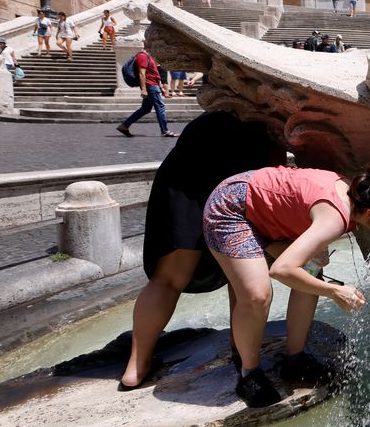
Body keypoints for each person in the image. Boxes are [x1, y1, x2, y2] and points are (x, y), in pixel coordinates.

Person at [204, 166, 370, 407]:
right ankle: (249, 374)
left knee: (313, 268)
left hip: (261, 212)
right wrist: (335, 291)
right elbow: (282, 270)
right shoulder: (337, 218)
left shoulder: (358, 196)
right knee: (257, 295)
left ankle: (294, 359)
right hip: (231, 209)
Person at [119, 112, 283, 390]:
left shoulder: (220, 106)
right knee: (242, 274)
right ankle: (242, 351)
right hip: (245, 165)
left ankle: (136, 366)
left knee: (168, 279)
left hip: (190, 163)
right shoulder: (269, 118)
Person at [116, 40, 178, 138]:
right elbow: (142, 73)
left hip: (153, 85)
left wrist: (160, 87)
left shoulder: (149, 57)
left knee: (145, 108)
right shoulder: (142, 56)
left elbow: (153, 74)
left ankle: (124, 126)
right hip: (150, 86)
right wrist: (144, 89)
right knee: (160, 106)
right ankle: (165, 130)